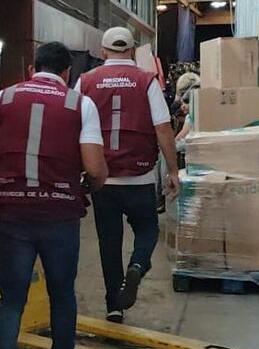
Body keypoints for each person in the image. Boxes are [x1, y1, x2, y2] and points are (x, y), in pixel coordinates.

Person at [0, 41, 107, 349]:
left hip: (13, 213)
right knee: (62, 295)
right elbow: (95, 169)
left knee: (10, 300)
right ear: (67, 72)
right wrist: (86, 187)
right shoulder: (79, 104)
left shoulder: (4, 98)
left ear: (34, 69)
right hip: (59, 215)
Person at [74, 27, 180, 324]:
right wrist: (173, 170)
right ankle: (138, 265)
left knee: (109, 242)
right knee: (147, 230)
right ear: (132, 50)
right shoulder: (147, 81)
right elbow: (163, 128)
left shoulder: (85, 81)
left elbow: (71, 123)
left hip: (101, 177)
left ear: (103, 52)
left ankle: (114, 306)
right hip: (140, 176)